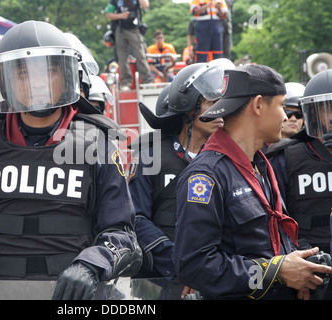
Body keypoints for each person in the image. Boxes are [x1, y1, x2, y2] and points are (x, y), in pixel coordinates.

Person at [0, 20, 141, 300]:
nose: (37, 81)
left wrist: (92, 263)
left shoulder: (96, 143)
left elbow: (122, 235)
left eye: (48, 71)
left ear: (67, 76)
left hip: (72, 299)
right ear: (5, 81)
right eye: (23, 73)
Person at [174, 64, 332, 300]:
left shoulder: (259, 166)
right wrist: (276, 272)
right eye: (281, 105)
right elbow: (195, 266)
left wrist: (303, 267)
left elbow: (270, 245)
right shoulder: (206, 176)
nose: (286, 116)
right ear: (258, 105)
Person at [128, 58, 235, 299]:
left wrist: (212, 271)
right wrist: (182, 266)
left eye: (223, 103)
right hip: (163, 282)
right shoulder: (151, 154)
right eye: (211, 102)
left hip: (219, 279)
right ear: (188, 107)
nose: (220, 111)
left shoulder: (230, 157)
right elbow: (137, 219)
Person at [265, 71, 331, 255]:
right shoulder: (285, 157)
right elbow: (274, 220)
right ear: (314, 112)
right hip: (307, 260)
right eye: (328, 108)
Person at [105, 0, 153, 91]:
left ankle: (147, 81)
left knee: (141, 55)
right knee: (122, 58)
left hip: (134, 29)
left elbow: (146, 5)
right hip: (120, 29)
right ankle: (126, 83)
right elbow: (108, 14)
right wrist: (121, 16)